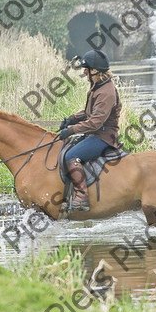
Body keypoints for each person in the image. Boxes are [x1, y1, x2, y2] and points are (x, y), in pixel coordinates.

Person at [58, 49, 122, 212]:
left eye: (87, 71)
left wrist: (71, 130)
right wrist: (72, 118)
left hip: (104, 137)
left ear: (96, 71)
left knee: (71, 156)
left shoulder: (106, 92)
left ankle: (81, 196)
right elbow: (89, 113)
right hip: (95, 133)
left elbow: (95, 122)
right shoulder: (98, 86)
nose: (85, 74)